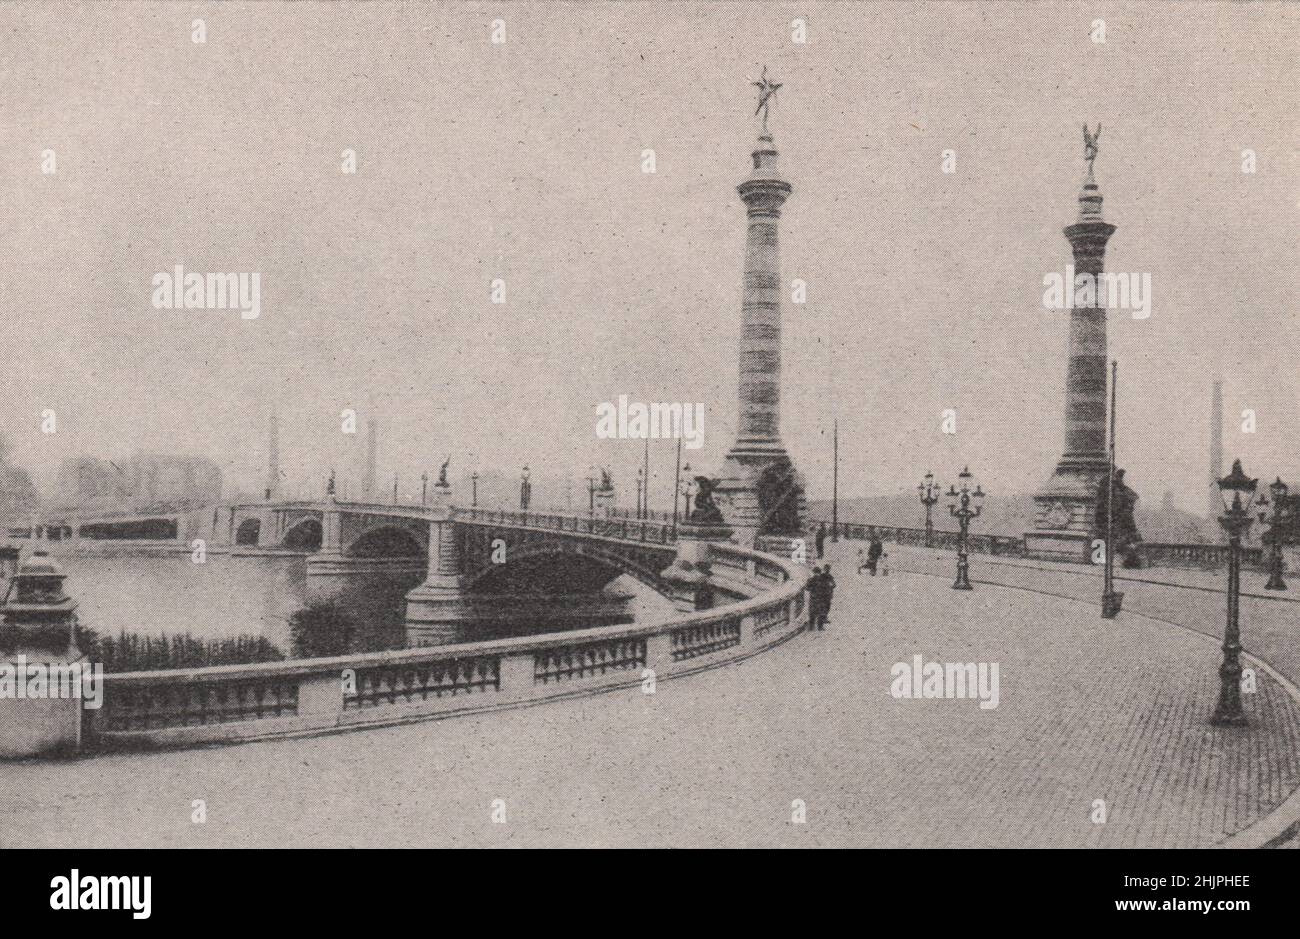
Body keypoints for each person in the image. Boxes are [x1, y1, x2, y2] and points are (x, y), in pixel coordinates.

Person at [820, 564, 836, 628]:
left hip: (827, 594)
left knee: (827, 606)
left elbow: (834, 585)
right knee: (824, 606)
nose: (827, 570)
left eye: (828, 569)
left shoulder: (830, 576)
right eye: (826, 569)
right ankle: (822, 619)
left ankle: (824, 617)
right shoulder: (822, 576)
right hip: (824, 594)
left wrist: (831, 585)